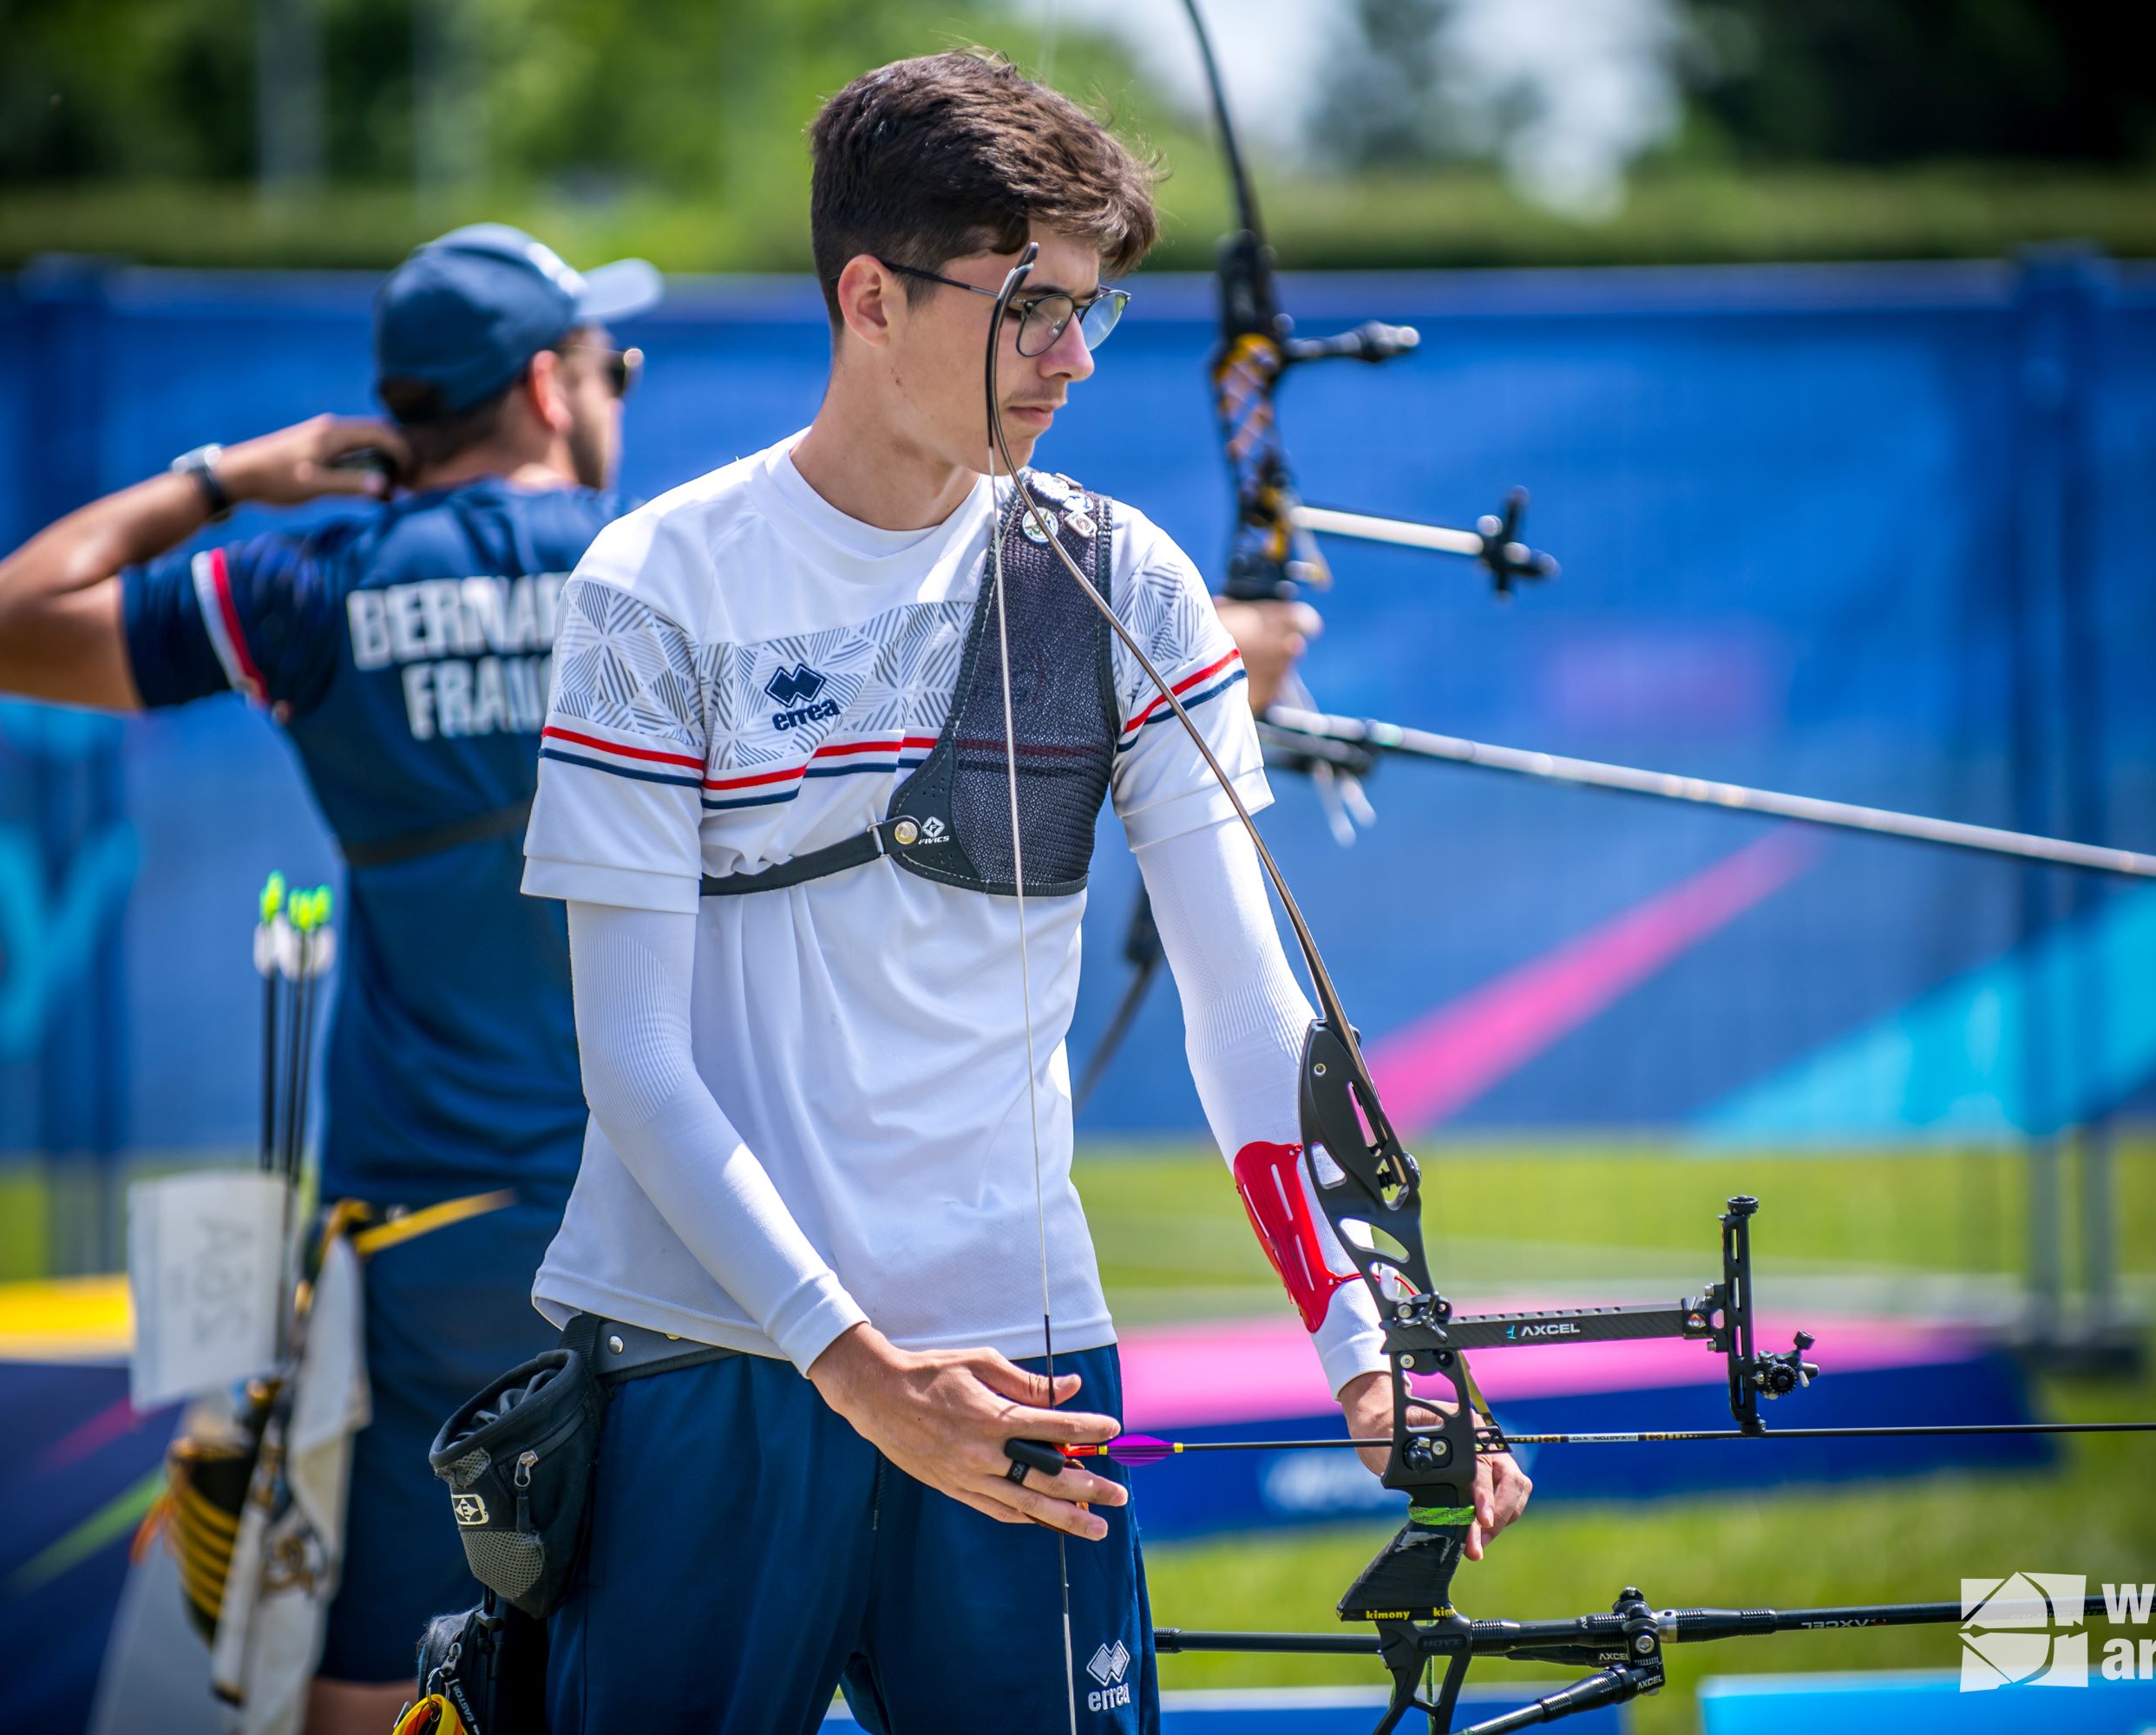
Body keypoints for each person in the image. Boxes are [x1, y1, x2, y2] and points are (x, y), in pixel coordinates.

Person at [519, 50, 1528, 1735]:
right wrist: (852, 1363)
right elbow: (630, 1060)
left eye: (1094, 309)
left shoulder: (1122, 575)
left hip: (1026, 1358)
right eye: (1032, 305)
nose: (1071, 357)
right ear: (871, 296)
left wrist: (1371, 1342)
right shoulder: (657, 583)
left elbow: (1244, 1005)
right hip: (711, 1356)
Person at [0, 223, 659, 1734]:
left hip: (428, 1227)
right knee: (674, 1660)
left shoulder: (314, 585)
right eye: (610, 365)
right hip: (668, 1214)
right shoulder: (665, 567)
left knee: (381, 1674)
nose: (621, 390)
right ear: (544, 384)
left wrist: (228, 477)